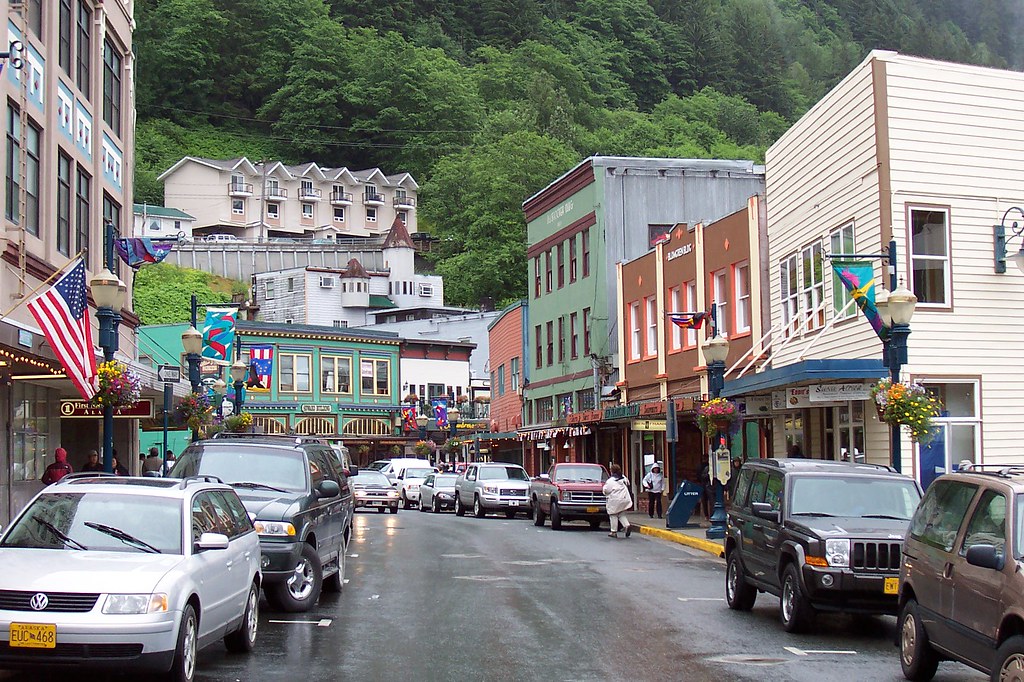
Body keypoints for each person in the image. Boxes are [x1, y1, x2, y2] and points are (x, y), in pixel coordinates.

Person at [602, 463, 633, 538]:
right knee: (621, 514)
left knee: (613, 514)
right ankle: (627, 525)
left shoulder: (611, 481)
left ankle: (613, 531)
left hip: (614, 500)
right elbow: (628, 483)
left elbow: (606, 490)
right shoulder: (623, 478)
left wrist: (604, 491)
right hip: (624, 499)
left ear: (611, 471)